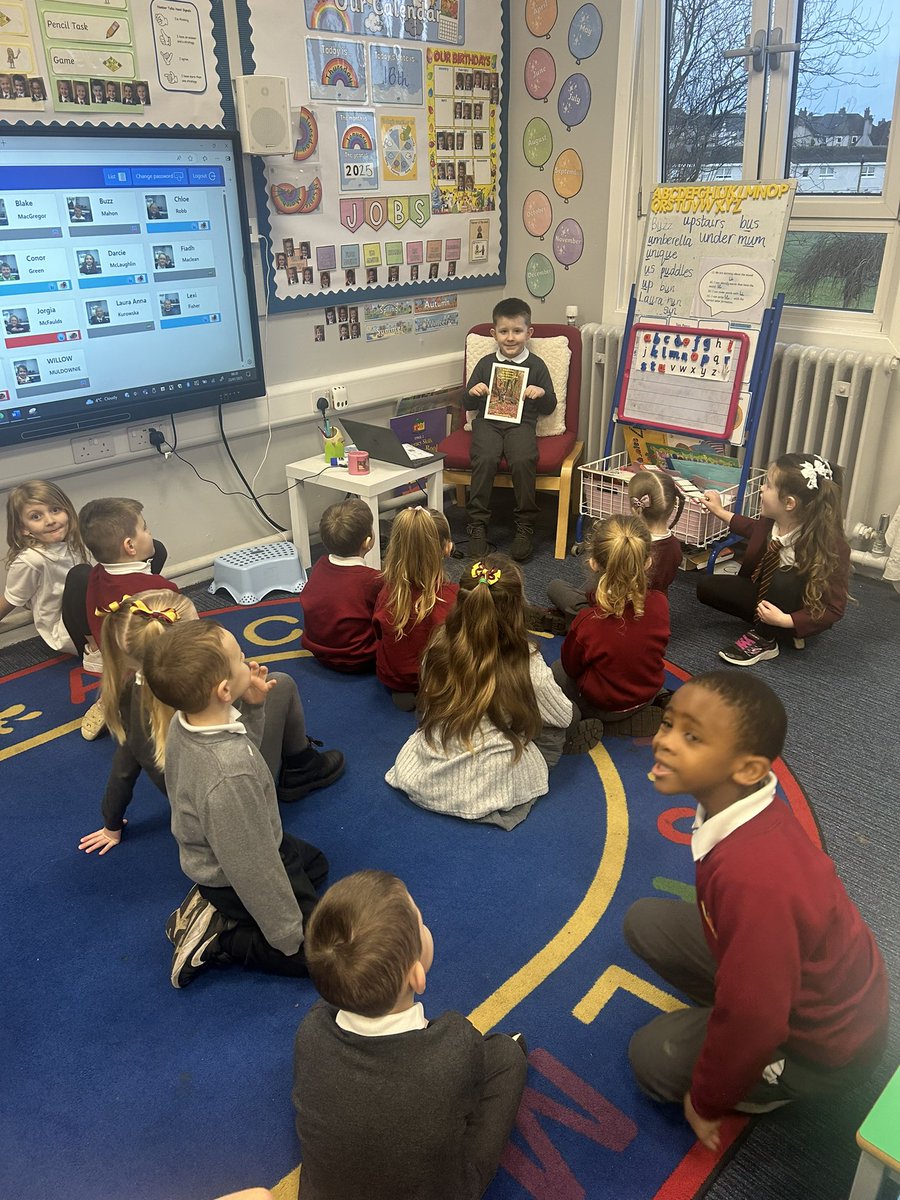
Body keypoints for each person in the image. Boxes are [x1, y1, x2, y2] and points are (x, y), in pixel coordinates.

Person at [625, 671, 888, 1150]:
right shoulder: (743, 807)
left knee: (652, 1060)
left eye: (692, 737)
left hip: (823, 1048)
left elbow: (760, 1018)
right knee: (645, 921)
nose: (664, 743)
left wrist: (707, 1100)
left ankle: (782, 1079)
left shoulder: (755, 878)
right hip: (794, 979)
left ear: (747, 769)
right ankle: (737, 1018)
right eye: (667, 724)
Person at [292, 870, 527, 1200]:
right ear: (416, 976)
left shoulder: (311, 1032)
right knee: (506, 1056)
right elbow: (466, 1098)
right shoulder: (455, 1044)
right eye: (421, 923)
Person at [78, 591, 344, 855]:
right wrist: (252, 704)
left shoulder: (131, 693)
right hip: (240, 796)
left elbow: (125, 761)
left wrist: (110, 823)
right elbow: (239, 756)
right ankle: (302, 767)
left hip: (194, 810)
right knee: (281, 683)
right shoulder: (201, 692)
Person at [142, 620, 333, 987]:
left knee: (316, 865)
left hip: (242, 843)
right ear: (225, 689)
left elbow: (250, 756)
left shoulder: (190, 722)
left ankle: (216, 909)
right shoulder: (227, 775)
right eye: (241, 658)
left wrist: (255, 709)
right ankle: (220, 940)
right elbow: (253, 867)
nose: (249, 661)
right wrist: (289, 938)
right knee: (318, 957)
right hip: (234, 868)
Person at [386, 556, 574, 828]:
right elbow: (562, 717)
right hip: (489, 782)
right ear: (516, 610)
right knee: (566, 717)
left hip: (428, 770)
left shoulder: (438, 645)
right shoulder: (527, 662)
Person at [697, 452, 850, 666]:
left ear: (789, 503)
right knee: (706, 586)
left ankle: (766, 638)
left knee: (784, 574)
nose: (761, 489)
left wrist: (787, 620)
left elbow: (834, 609)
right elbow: (751, 529)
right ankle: (778, 628)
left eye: (768, 485)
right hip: (764, 591)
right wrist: (719, 512)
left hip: (794, 605)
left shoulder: (830, 545)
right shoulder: (772, 520)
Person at [552, 514, 670, 746]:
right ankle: (651, 705)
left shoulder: (587, 621)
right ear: (647, 562)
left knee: (556, 671)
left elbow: (570, 667)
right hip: (647, 694)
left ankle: (610, 724)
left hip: (603, 705)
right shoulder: (660, 602)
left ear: (593, 563)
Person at [533, 470, 686, 636]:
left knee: (556, 587)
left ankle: (578, 624)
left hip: (614, 610)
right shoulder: (675, 547)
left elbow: (604, 592)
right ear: (672, 506)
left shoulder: (624, 543)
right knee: (586, 589)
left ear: (635, 506)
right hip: (650, 613)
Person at [464, 297, 557, 563]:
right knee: (484, 458)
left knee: (523, 459)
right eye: (504, 331)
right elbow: (467, 403)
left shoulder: (537, 365)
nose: (510, 338)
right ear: (494, 334)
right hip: (488, 423)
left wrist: (541, 394)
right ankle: (477, 524)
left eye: (517, 331)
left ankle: (525, 524)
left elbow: (550, 405)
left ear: (529, 333)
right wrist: (473, 391)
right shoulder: (484, 364)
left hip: (521, 425)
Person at [0, 480, 101, 686]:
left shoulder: (72, 544)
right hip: (67, 631)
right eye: (36, 516)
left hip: (93, 614)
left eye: (55, 510)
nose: (50, 520)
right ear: (24, 529)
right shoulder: (32, 559)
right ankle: (96, 652)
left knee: (153, 550)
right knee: (82, 575)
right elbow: (10, 599)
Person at [373, 506, 458, 710]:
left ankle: (404, 688)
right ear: (447, 548)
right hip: (439, 678)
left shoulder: (387, 593)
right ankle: (432, 691)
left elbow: (378, 633)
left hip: (395, 677)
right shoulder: (452, 596)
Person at [299, 498, 381, 672]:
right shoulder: (372, 579)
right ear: (367, 542)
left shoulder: (319, 566)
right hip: (361, 658)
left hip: (319, 653)